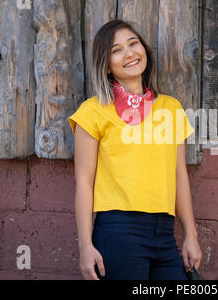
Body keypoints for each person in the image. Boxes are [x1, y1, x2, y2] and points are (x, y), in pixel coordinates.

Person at [68, 19, 202, 280]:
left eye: (133, 44)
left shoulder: (170, 108)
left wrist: (191, 236)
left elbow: (179, 176)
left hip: (164, 234)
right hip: (118, 233)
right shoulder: (93, 111)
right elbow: (84, 182)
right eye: (116, 50)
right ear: (106, 64)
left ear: (144, 50)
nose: (129, 53)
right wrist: (85, 246)